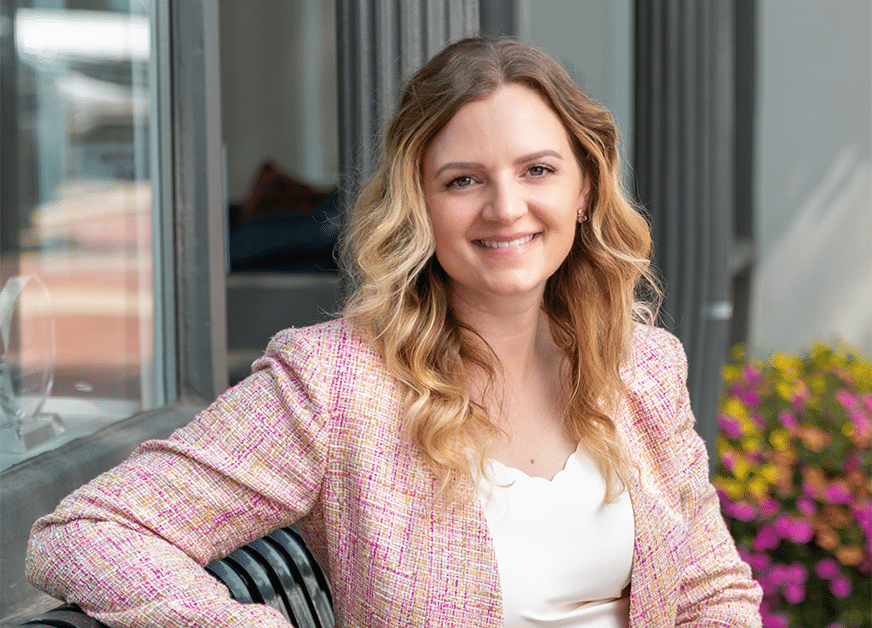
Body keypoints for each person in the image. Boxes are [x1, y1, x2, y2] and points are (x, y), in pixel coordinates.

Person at [26, 36, 762, 627]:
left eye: (537, 170)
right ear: (419, 204)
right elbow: (90, 531)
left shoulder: (640, 366)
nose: (506, 208)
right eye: (463, 180)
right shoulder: (338, 384)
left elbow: (707, 587)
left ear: (586, 188)